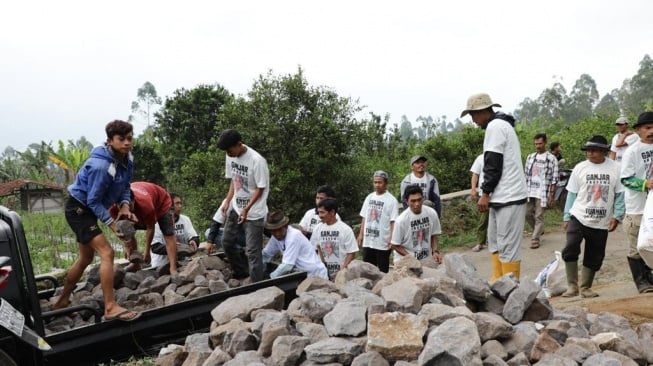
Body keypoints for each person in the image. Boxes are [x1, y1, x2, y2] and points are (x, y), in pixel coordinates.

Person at [53, 120, 140, 322]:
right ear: (110, 141)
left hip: (90, 208)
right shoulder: (101, 166)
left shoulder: (128, 159)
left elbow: (125, 185)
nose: (127, 143)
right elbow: (92, 200)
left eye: (130, 139)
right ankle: (110, 307)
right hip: (79, 209)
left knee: (85, 258)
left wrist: (125, 204)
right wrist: (111, 223)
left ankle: (62, 301)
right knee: (107, 252)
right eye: (121, 139)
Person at [461, 93, 527, 281]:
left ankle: (510, 288)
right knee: (496, 242)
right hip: (502, 196)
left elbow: (493, 162)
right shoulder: (498, 125)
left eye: (473, 115)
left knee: (508, 246)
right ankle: (498, 280)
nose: (473, 121)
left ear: (482, 111)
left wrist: (486, 192)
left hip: (509, 195)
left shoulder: (496, 126)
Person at [560, 136, 624, 298]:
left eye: (594, 150)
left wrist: (616, 216)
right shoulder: (580, 168)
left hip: (601, 220)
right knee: (571, 247)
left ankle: (586, 287)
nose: (590, 153)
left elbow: (620, 195)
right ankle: (572, 286)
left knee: (595, 254)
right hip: (579, 215)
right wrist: (567, 217)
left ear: (604, 151)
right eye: (588, 150)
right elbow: (572, 194)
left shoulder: (615, 168)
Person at [217, 129, 269, 282]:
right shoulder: (230, 156)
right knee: (226, 242)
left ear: (239, 144)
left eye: (229, 150)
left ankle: (256, 284)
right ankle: (241, 273)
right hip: (236, 207)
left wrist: (247, 209)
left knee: (253, 252)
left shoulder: (257, 161)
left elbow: (261, 188)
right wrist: (227, 201)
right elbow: (234, 180)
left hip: (254, 212)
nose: (228, 154)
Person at [110, 182, 180, 274]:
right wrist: (126, 244)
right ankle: (136, 265)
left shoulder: (146, 205)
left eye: (129, 206)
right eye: (121, 207)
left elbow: (150, 228)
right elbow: (121, 229)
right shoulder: (113, 208)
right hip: (142, 205)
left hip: (161, 202)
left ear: (134, 200)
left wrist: (147, 252)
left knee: (169, 234)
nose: (127, 211)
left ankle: (173, 269)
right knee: (128, 231)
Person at [621, 111, 653, 293]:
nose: (651, 131)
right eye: (647, 128)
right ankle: (641, 281)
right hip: (638, 207)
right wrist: (644, 183)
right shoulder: (632, 151)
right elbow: (625, 179)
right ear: (639, 130)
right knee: (636, 244)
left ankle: (650, 277)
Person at [262, 210, 328, 279]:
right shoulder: (275, 238)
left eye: (279, 230)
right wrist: (258, 271)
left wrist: (269, 277)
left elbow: (287, 266)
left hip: (315, 274)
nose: (277, 233)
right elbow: (266, 254)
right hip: (302, 274)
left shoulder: (293, 236)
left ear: (285, 227)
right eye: (274, 231)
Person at [357, 171, 399, 272]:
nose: (377, 185)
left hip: (382, 242)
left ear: (386, 183)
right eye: (375, 182)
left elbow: (393, 221)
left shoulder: (391, 200)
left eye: (379, 182)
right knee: (367, 270)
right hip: (368, 241)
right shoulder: (369, 197)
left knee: (382, 270)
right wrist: (361, 234)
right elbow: (364, 217)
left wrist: (391, 238)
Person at [391, 184, 442, 264]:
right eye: (413, 201)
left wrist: (435, 251)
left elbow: (434, 234)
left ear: (423, 199)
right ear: (407, 201)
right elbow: (394, 244)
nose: (417, 204)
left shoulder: (431, 213)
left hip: (425, 259)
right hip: (404, 261)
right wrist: (411, 258)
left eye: (419, 199)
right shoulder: (401, 220)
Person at [524, 133, 559, 249]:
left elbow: (554, 179)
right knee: (527, 213)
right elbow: (526, 175)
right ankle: (538, 230)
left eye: (540, 143)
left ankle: (535, 239)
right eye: (536, 144)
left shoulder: (551, 159)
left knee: (539, 215)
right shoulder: (530, 157)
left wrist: (551, 195)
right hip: (530, 190)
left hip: (543, 191)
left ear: (545, 143)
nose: (538, 146)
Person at [310, 198, 358, 280]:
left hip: (342, 275)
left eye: (322, 212)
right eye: (319, 212)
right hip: (323, 274)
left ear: (332, 212)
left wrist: (342, 273)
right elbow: (314, 250)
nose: (320, 216)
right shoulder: (317, 228)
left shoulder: (345, 229)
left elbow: (351, 253)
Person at [149, 193, 199, 269]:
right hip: (162, 264)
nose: (180, 206)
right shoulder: (157, 223)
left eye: (180, 203)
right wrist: (175, 248)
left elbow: (194, 236)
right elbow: (155, 247)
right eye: (177, 203)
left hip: (183, 261)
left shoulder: (185, 219)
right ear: (169, 206)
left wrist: (193, 241)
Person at [470, 153, 489, 252]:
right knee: (483, 220)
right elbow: (475, 174)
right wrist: (473, 189)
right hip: (484, 194)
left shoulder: (500, 156)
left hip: (499, 194)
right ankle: (480, 242)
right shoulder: (480, 158)